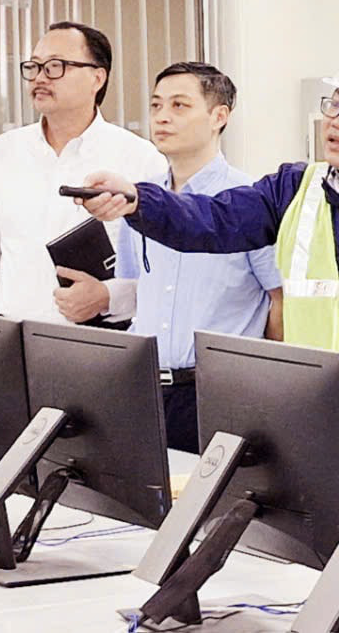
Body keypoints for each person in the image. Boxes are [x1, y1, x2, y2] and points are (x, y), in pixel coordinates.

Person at [77, 41, 339, 368]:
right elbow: (211, 220)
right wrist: (137, 201)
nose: (336, 122)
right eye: (335, 106)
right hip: (313, 420)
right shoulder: (294, 189)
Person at [56, 63, 282, 452]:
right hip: (146, 391)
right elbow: (139, 290)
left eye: (179, 106)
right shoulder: (140, 201)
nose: (162, 116)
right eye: (157, 105)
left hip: (221, 395)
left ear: (219, 116)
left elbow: (280, 302)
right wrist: (103, 296)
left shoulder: (250, 201)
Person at [0, 21, 165, 322]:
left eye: (55, 66)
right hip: (8, 341)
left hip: (96, 342)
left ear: (97, 77)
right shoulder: (1, 153)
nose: (40, 77)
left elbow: (162, 274)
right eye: (34, 67)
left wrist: (109, 297)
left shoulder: (140, 159)